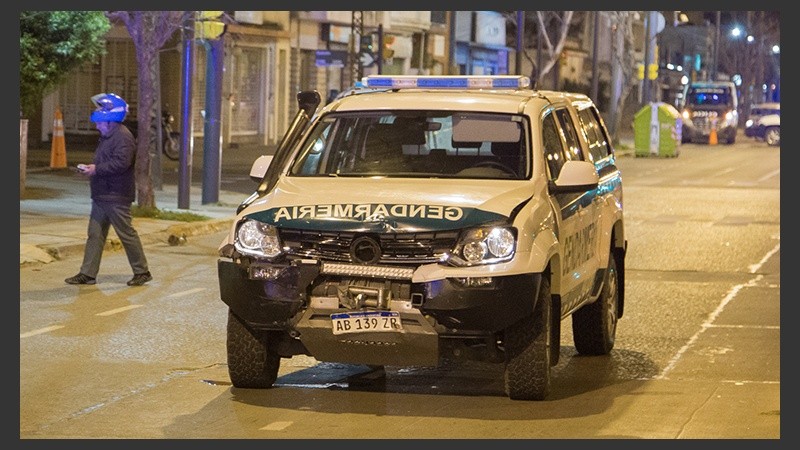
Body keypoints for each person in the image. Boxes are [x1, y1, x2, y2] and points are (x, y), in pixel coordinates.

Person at [65, 93, 152, 287]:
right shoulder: (108, 136)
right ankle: (87, 274)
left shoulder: (123, 137)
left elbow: (122, 163)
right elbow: (109, 162)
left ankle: (142, 271)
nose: (97, 125)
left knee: (126, 234)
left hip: (116, 195)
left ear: (110, 120)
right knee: (95, 235)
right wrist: (91, 168)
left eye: (100, 121)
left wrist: (96, 169)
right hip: (102, 194)